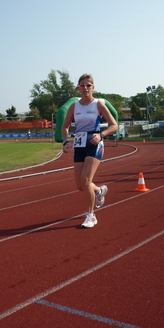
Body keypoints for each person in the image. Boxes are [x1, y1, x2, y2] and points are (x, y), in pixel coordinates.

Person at [61, 74, 118, 228]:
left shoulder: (98, 104)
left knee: (85, 180)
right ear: (78, 88)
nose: (85, 88)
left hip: (94, 143)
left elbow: (114, 125)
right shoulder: (74, 106)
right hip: (79, 143)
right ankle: (99, 191)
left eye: (88, 85)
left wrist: (101, 135)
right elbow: (65, 126)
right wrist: (66, 141)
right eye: (82, 85)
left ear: (93, 88)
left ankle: (90, 216)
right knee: (80, 185)